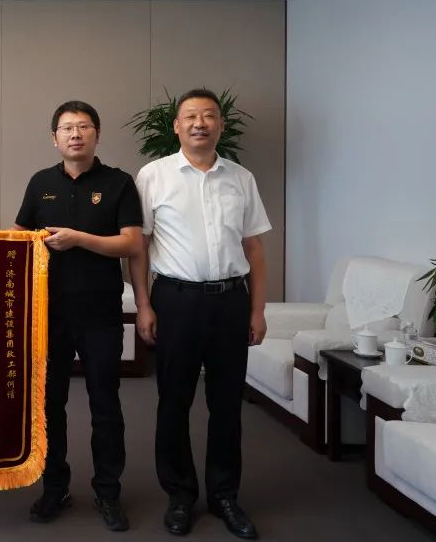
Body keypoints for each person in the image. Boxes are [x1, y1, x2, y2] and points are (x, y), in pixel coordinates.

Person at [128, 89, 270, 540]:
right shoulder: (153, 175)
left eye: (209, 116)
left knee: (226, 404)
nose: (200, 123)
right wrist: (144, 304)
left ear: (221, 125)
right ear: (176, 126)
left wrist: (258, 309)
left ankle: (225, 495)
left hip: (230, 301)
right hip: (176, 301)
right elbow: (139, 247)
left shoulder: (241, 178)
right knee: (174, 402)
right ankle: (180, 496)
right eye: (190, 116)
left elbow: (254, 248)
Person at [15, 100, 142, 532]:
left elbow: (131, 244)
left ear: (96, 135)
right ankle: (55, 487)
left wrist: (80, 238)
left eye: (83, 127)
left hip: (100, 312)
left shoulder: (118, 182)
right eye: (67, 128)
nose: (75, 134)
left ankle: (109, 492)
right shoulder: (41, 182)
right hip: (48, 314)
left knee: (105, 403)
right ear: (54, 138)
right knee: (50, 404)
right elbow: (20, 236)